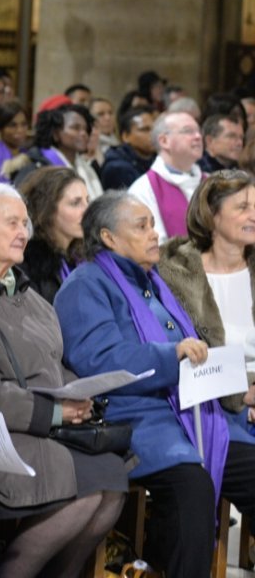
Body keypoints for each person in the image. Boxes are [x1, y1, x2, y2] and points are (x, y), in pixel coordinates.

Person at [55, 191, 255, 578]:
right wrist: (171, 355)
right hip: (136, 417)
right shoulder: (87, 285)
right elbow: (98, 360)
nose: (154, 233)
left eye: (153, 223)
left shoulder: (153, 281)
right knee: (190, 488)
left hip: (191, 413)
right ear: (109, 237)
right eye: (141, 225)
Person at [0, 185, 127, 578]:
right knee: (85, 486)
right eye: (12, 223)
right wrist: (54, 412)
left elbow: (55, 362)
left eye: (25, 222)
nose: (23, 231)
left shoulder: (28, 294)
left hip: (45, 422)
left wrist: (82, 396)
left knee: (112, 477)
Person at [161, 171, 255, 424]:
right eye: (243, 208)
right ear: (211, 215)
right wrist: (243, 396)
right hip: (210, 408)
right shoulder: (173, 275)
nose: (254, 216)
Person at [128, 110, 204, 242]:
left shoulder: (210, 181)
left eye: (198, 131)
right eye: (188, 131)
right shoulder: (143, 190)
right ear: (164, 141)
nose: (198, 136)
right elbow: (153, 246)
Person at [17, 167, 89, 304]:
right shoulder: (27, 265)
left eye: (87, 200)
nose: (87, 211)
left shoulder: (84, 257)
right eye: (75, 203)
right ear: (48, 210)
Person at [13, 103, 103, 200]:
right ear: (55, 134)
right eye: (76, 128)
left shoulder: (86, 167)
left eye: (85, 129)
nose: (84, 133)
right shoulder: (36, 167)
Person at [99, 107, 155, 191]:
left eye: (154, 129)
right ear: (126, 136)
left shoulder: (159, 159)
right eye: (145, 129)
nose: (153, 134)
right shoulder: (117, 168)